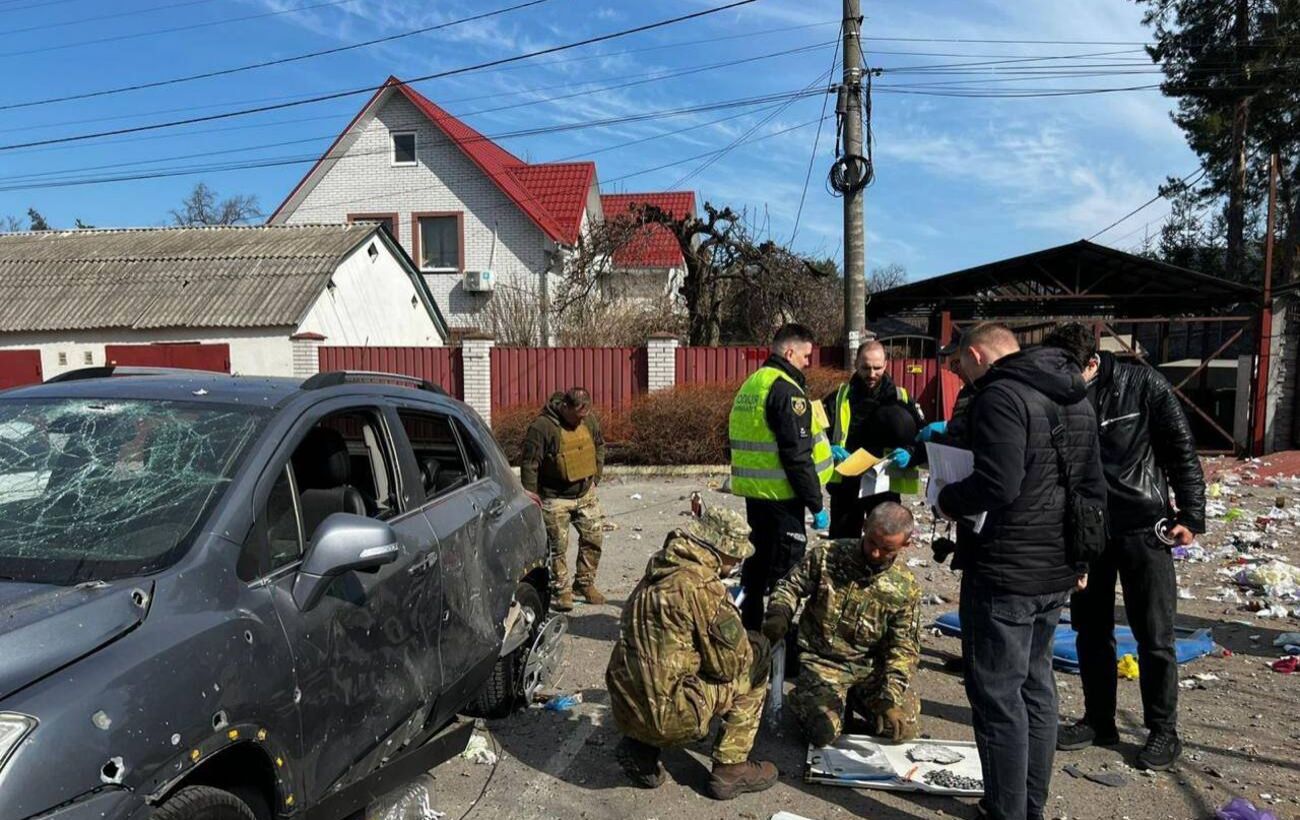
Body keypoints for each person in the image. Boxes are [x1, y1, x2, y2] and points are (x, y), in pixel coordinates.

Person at [935, 323, 1105, 820]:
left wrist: (947, 498)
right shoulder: (1076, 394)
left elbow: (998, 483)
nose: (962, 375)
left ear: (975, 355)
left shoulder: (999, 397)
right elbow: (1091, 487)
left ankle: (1005, 811)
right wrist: (1081, 560)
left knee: (997, 696)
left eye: (961, 365)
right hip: (1054, 571)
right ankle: (1030, 805)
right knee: (1036, 685)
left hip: (1006, 571)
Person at [1043, 323, 1205, 771]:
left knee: (1155, 635)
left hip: (1142, 525)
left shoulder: (1143, 383)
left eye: (1068, 369)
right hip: (1088, 531)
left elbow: (1181, 450)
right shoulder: (1062, 394)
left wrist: (1190, 516)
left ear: (1092, 363)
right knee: (1090, 631)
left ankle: (1162, 730)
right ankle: (1099, 720)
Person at [605, 505, 779, 801]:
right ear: (722, 549)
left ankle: (641, 749)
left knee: (659, 667)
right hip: (672, 713)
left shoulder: (659, 568)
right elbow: (730, 666)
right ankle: (731, 768)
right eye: (736, 554)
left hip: (626, 704)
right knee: (757, 656)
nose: (738, 561)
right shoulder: (702, 586)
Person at [763, 502, 922, 747]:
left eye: (887, 549)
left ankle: (854, 701)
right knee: (823, 733)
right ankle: (810, 699)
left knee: (903, 729)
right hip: (821, 661)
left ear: (905, 545)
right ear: (865, 526)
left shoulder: (905, 587)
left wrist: (889, 697)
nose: (876, 553)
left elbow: (904, 648)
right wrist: (779, 614)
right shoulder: (827, 554)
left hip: (868, 668)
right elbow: (790, 586)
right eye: (872, 542)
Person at [728, 323, 833, 629]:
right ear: (790, 352)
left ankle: (747, 630)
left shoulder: (754, 383)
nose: (808, 362)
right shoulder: (787, 390)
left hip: (756, 494)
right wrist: (816, 504)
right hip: (782, 498)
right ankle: (779, 647)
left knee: (756, 567)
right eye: (805, 355)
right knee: (785, 575)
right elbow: (795, 455)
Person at [822, 341, 925, 538]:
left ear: (886, 365)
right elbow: (817, 434)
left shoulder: (901, 397)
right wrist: (830, 448)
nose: (871, 374)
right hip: (847, 484)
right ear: (856, 364)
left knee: (883, 542)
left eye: (877, 368)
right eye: (866, 367)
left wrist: (910, 454)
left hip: (885, 483)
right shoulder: (839, 397)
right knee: (843, 543)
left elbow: (920, 435)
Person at [521, 387, 606, 612]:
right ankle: (562, 590)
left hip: (585, 493)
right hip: (555, 497)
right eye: (578, 415)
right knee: (557, 547)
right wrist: (532, 496)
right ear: (565, 407)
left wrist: (596, 475)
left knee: (594, 539)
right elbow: (530, 463)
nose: (582, 419)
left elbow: (599, 445)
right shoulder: (542, 427)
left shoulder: (589, 421)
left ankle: (584, 584)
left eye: (585, 414)